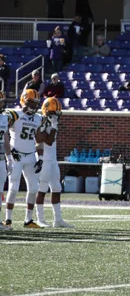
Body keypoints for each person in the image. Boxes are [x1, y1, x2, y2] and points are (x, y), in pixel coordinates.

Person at [3, 90, 45, 228]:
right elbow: (4, 134)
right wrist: (11, 151)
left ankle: (28, 219)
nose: (33, 106)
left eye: (35, 103)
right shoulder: (14, 115)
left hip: (31, 156)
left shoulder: (38, 118)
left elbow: (38, 139)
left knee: (34, 188)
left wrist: (41, 157)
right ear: (23, 101)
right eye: (30, 102)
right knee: (13, 188)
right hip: (16, 156)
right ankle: (8, 219)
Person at [31, 97, 70, 228]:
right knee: (42, 189)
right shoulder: (40, 121)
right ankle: (40, 219)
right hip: (44, 160)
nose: (56, 116)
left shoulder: (52, 122)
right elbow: (46, 141)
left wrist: (54, 125)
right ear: (46, 111)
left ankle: (57, 219)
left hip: (53, 159)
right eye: (53, 113)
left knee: (57, 188)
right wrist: (53, 126)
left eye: (57, 113)